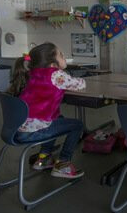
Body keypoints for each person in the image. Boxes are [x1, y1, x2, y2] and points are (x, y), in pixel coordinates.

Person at [8, 42, 86, 179]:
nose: (64, 57)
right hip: (34, 131)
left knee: (58, 119)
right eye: (61, 55)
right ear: (52, 64)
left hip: (17, 129)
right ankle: (63, 164)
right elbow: (79, 85)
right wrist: (80, 80)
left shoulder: (32, 73)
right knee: (77, 125)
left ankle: (43, 158)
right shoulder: (56, 75)